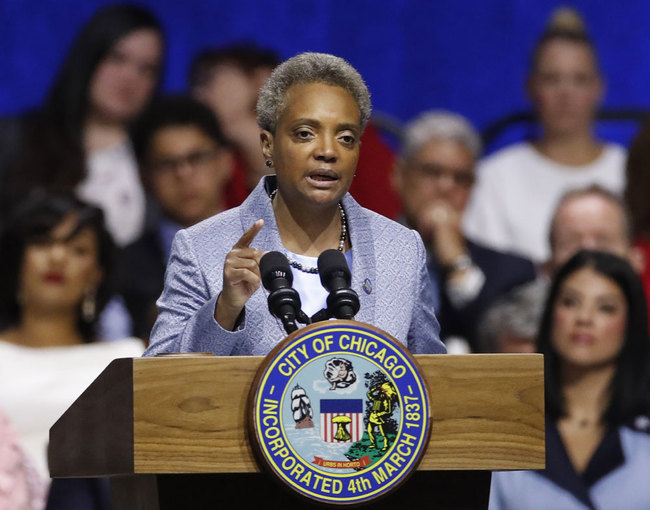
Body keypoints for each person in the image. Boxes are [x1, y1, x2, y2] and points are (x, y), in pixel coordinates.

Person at [144, 52, 445, 357]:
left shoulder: (401, 248)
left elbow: (434, 379)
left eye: (346, 138)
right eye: (305, 134)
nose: (328, 151)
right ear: (268, 144)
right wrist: (225, 309)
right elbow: (160, 383)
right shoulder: (203, 247)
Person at [0, 194, 144, 484]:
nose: (57, 257)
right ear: (18, 260)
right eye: (43, 243)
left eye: (77, 249)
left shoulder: (129, 359)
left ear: (96, 275)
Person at [489, 250, 650, 509]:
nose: (584, 319)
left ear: (630, 325)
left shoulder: (643, 427)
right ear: (551, 313)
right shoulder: (507, 425)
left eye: (605, 308)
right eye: (570, 302)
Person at [463, 8, 626, 264]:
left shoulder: (632, 173)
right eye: (552, 79)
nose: (565, 93)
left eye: (579, 79)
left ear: (599, 88)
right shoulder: (494, 178)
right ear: (531, 87)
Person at [1, 5, 165, 247]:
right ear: (89, 58)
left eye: (146, 69)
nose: (130, 77)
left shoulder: (156, 159)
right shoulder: (16, 137)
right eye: (118, 58)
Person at [190, 44, 403, 218]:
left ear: (261, 77)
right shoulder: (224, 162)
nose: (198, 95)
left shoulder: (349, 133)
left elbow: (383, 214)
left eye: (208, 79)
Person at [393, 110, 535, 351]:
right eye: (432, 172)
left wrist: (458, 263)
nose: (446, 187)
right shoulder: (358, 255)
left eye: (460, 178)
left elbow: (502, 351)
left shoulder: (511, 274)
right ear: (399, 175)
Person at [123, 95, 234, 340]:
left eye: (197, 158)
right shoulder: (121, 267)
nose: (183, 174)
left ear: (226, 162)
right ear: (144, 176)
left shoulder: (271, 248)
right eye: (166, 164)